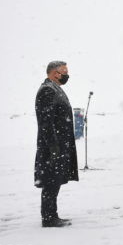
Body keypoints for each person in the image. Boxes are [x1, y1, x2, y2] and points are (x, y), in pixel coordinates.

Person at [34, 61, 79, 228]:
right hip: (53, 146)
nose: (67, 75)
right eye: (64, 71)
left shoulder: (55, 88)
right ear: (54, 73)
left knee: (55, 180)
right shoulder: (47, 90)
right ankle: (48, 218)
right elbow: (46, 122)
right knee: (51, 182)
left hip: (59, 144)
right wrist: (53, 146)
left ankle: (52, 215)